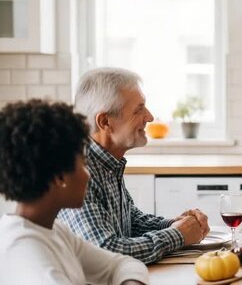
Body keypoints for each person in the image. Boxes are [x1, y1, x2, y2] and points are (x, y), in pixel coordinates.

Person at [58, 68, 209, 264]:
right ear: (105, 121)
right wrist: (178, 235)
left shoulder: (108, 161)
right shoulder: (79, 172)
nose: (150, 117)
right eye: (139, 109)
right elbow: (105, 252)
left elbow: (130, 220)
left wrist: (174, 224)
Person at [0, 99, 148, 285]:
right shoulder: (25, 252)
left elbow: (123, 264)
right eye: (83, 164)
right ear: (60, 177)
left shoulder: (54, 230)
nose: (88, 175)